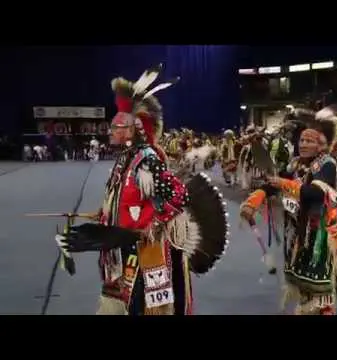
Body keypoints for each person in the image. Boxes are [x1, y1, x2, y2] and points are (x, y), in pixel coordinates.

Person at [55, 67, 228, 315]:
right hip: (126, 244)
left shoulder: (146, 159)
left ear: (132, 130)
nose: (111, 130)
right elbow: (123, 200)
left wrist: (154, 225)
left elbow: (179, 195)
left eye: (117, 126)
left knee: (146, 307)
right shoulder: (126, 159)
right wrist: (103, 215)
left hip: (148, 249)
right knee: (127, 301)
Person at [240, 107, 337, 315]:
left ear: (320, 146)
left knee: (319, 281)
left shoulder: (327, 164)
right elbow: (274, 183)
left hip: (321, 231)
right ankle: (307, 307)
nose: (304, 144)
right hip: (299, 227)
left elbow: (316, 194)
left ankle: (323, 310)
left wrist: (283, 183)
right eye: (301, 141)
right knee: (301, 276)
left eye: (309, 141)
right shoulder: (295, 164)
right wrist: (254, 200)